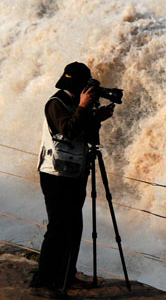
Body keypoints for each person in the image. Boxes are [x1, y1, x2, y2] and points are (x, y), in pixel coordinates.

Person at [30, 62, 113, 297]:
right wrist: (85, 107)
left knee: (74, 226)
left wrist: (97, 117)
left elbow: (83, 132)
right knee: (57, 227)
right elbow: (68, 130)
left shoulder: (75, 103)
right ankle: (42, 281)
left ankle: (67, 276)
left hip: (74, 172)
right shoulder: (55, 103)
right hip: (55, 175)